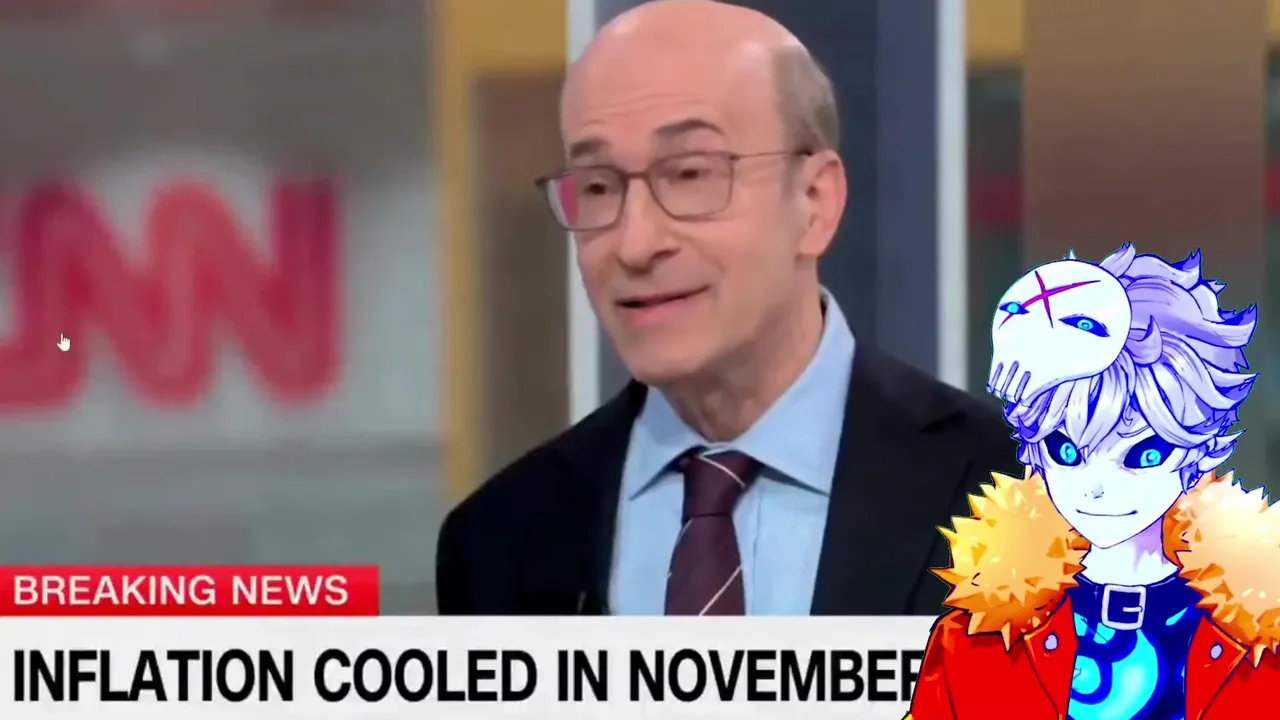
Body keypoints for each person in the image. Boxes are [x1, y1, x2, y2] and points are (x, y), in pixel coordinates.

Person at [435, 0, 1018, 617]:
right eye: (599, 186)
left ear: (814, 201)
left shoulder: (1019, 494)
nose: (635, 243)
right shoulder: (498, 540)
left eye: (690, 175)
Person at [907, 246, 1277, 720]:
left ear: (1199, 448)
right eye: (1066, 451)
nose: (1097, 488)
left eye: (1144, 455)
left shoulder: (1259, 640)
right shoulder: (977, 639)